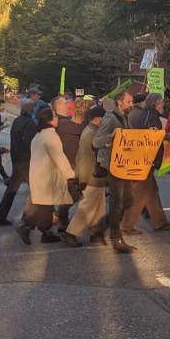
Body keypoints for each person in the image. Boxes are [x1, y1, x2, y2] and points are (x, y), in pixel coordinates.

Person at [18, 107, 76, 245]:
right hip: (47, 177)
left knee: (44, 206)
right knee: (45, 208)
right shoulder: (51, 136)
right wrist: (70, 175)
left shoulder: (39, 135)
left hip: (39, 175)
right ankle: (30, 228)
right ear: (50, 120)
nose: (57, 119)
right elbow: (59, 157)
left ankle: (42, 232)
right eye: (55, 116)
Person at [92, 90, 138, 254]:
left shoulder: (124, 118)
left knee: (128, 201)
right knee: (117, 203)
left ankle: (100, 227)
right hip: (113, 165)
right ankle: (116, 239)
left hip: (123, 165)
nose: (131, 105)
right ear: (119, 102)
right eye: (128, 102)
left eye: (131, 102)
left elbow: (131, 136)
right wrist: (110, 138)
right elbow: (96, 141)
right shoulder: (110, 118)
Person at [122, 93, 170, 234]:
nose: (164, 104)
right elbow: (150, 138)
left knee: (151, 192)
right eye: (162, 102)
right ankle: (127, 226)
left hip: (144, 159)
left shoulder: (146, 114)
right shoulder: (150, 117)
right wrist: (165, 136)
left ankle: (159, 221)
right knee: (140, 194)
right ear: (155, 103)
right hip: (144, 160)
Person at [64, 106, 108, 247]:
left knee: (99, 207)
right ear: (96, 119)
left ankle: (95, 232)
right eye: (104, 118)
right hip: (92, 175)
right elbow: (85, 157)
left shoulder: (91, 130)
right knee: (87, 207)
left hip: (95, 175)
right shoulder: (92, 133)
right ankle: (71, 232)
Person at [0, 100, 37, 226]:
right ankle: (29, 218)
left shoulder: (17, 121)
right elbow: (30, 143)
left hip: (17, 159)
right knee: (37, 190)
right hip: (25, 161)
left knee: (12, 189)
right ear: (31, 109)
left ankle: (1, 216)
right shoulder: (30, 123)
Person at [52, 95, 85, 231]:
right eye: (66, 103)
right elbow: (79, 128)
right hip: (66, 166)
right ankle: (63, 226)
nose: (68, 105)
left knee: (70, 197)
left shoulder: (63, 122)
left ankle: (61, 222)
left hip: (69, 165)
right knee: (71, 197)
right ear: (58, 106)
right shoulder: (62, 123)